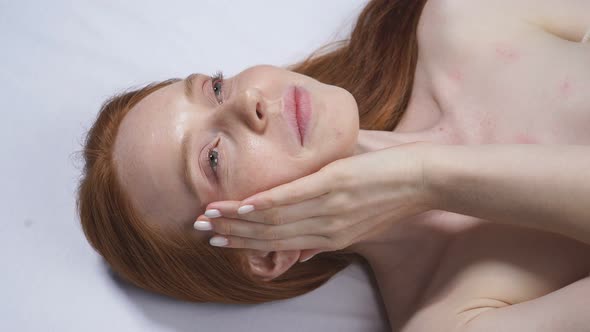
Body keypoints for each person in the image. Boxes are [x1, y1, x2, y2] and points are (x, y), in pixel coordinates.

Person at [76, 0, 590, 330]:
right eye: (212, 156)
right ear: (265, 253)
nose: (247, 100)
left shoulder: (465, 18)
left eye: (215, 87)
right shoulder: (457, 321)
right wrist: (425, 180)